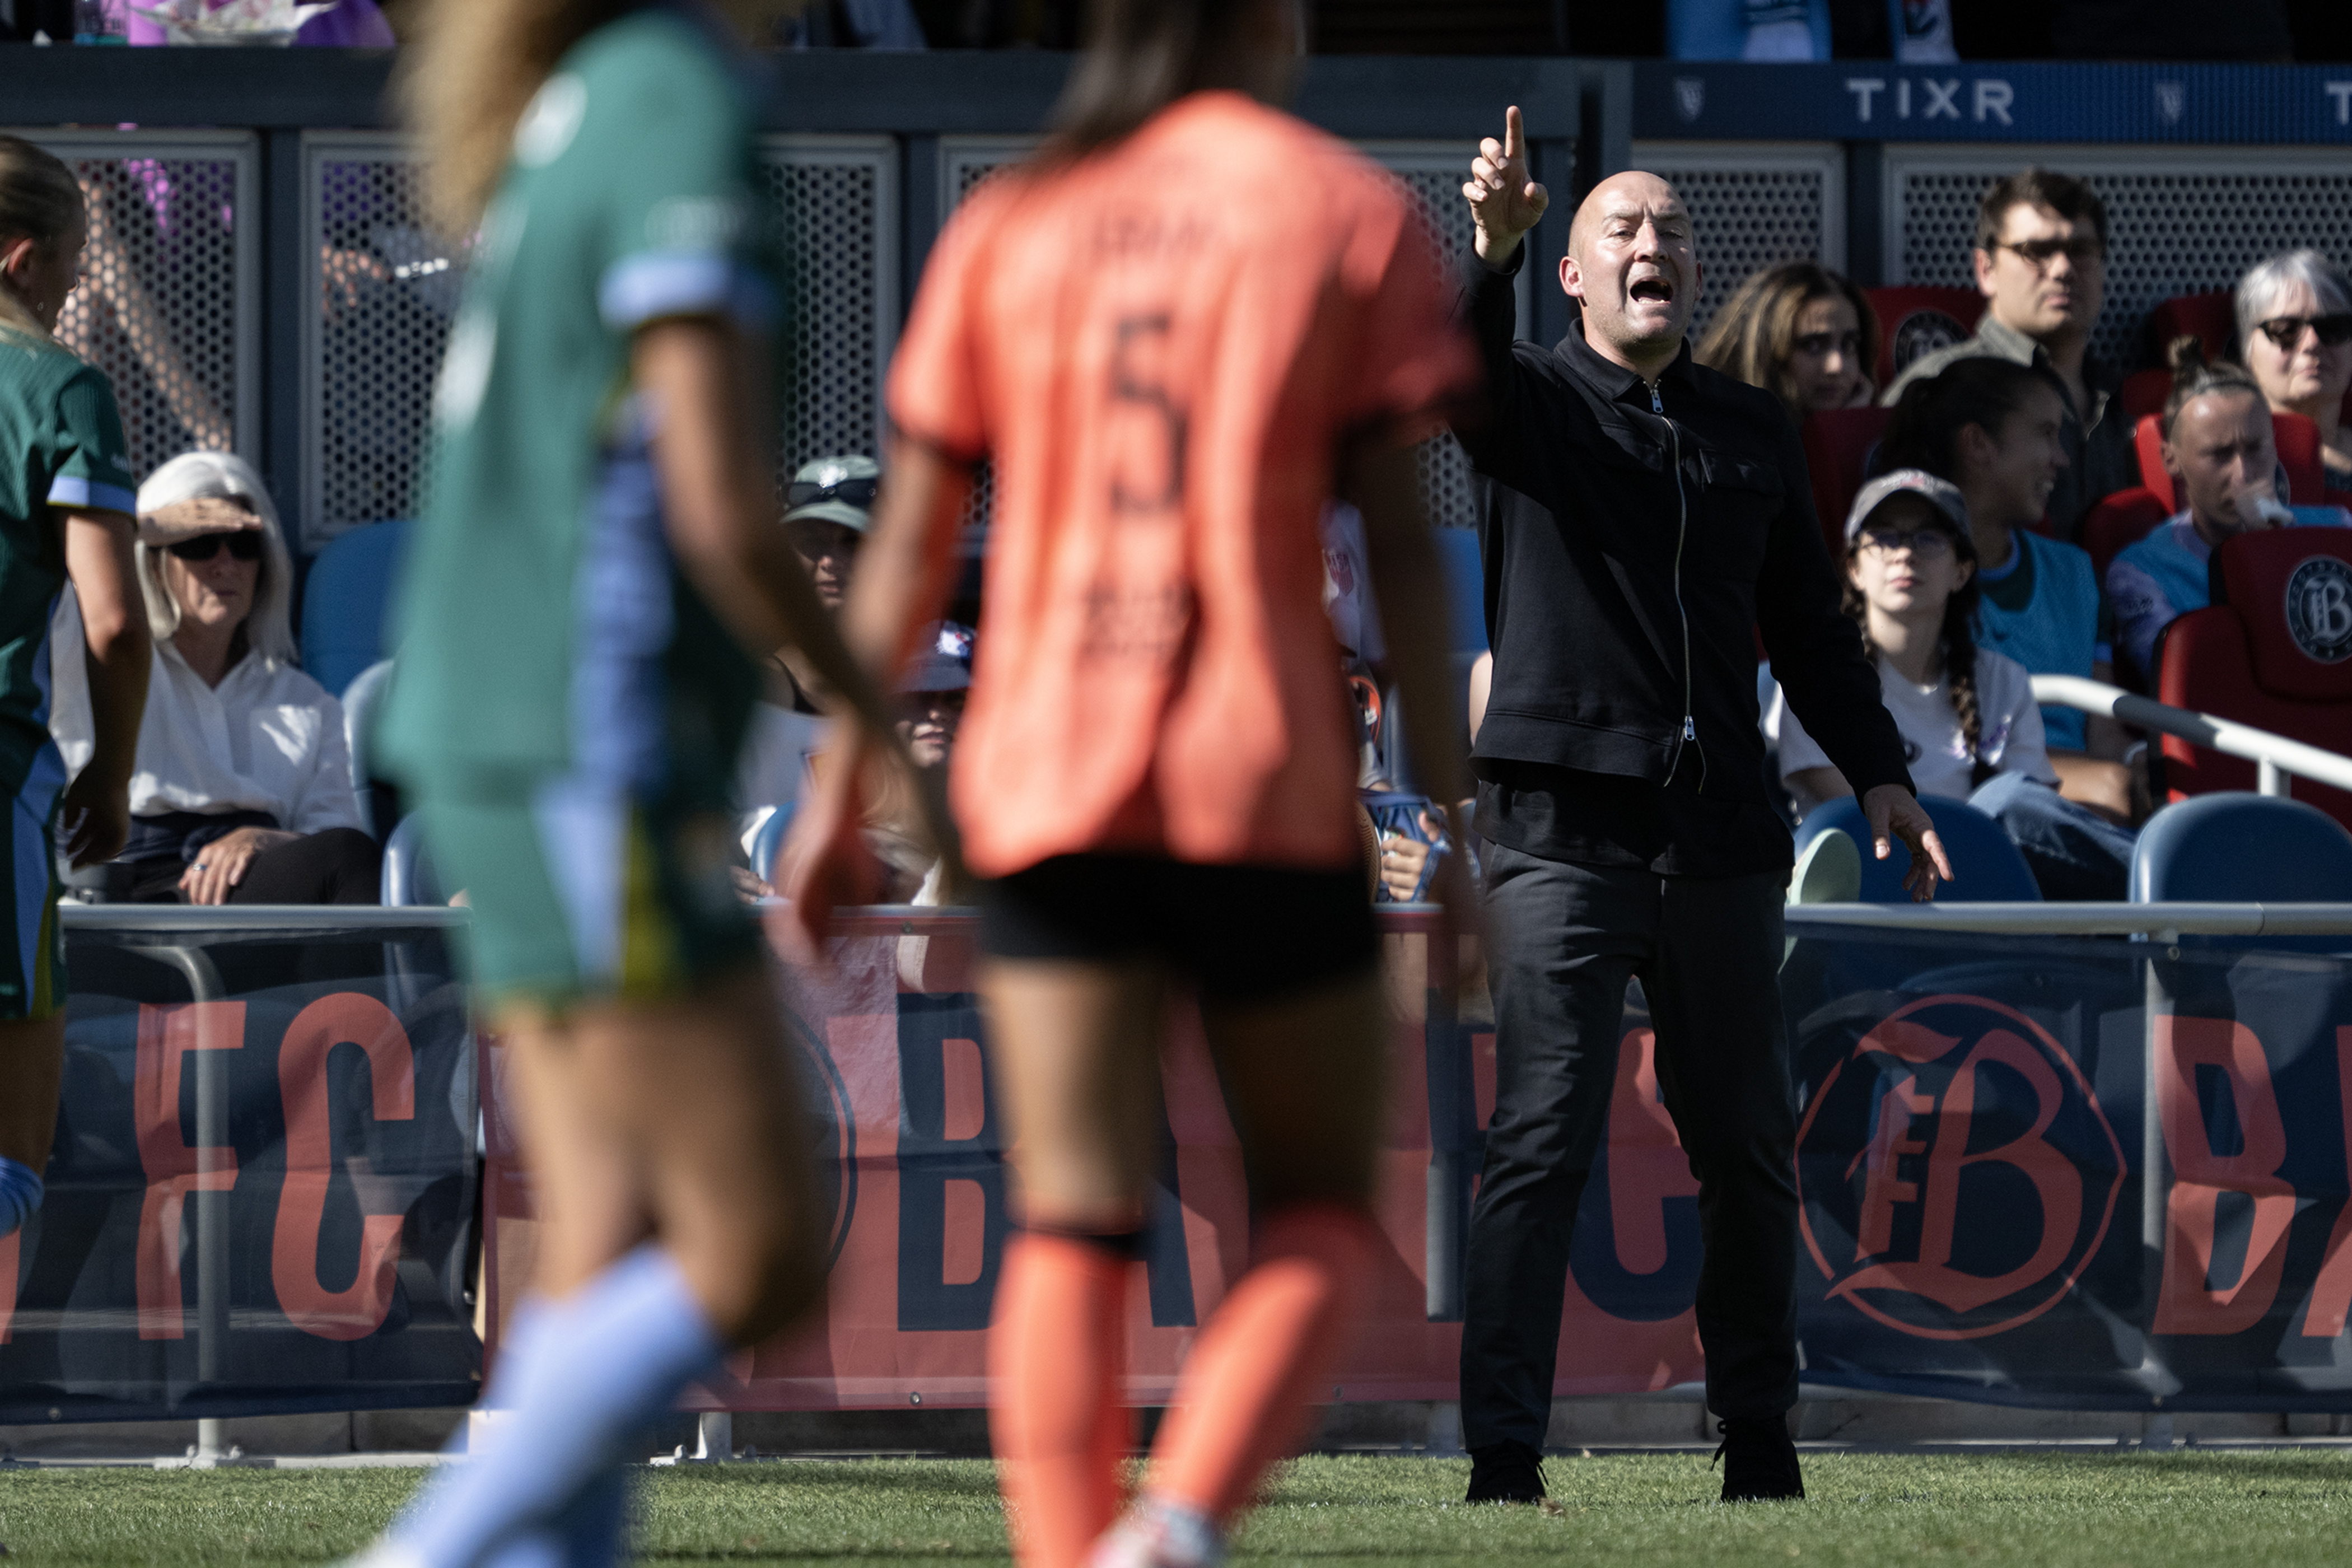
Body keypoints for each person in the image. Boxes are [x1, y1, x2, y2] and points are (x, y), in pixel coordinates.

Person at [782, 2, 1479, 1562]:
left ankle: (1062, 1552)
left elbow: (901, 549)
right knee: (1316, 1213)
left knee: (1075, 1216)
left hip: (1046, 783)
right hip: (1265, 782)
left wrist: (841, 792)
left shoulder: (1009, 223)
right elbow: (1411, 571)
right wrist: (1441, 817)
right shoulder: (1349, 214)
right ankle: (1171, 1531)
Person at [352, 2, 934, 1565]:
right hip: (582, 743)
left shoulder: (580, 102)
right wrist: (884, 741)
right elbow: (726, 505)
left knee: (603, 1267)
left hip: (509, 730)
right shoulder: (672, 95)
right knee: (755, 1253)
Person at [1453, 113, 1946, 1507]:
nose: (1650, 247)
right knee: (1540, 1142)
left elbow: (1806, 621)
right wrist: (1488, 254)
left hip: (1721, 832)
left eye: (1670, 229)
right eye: (1621, 228)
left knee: (1744, 1144)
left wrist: (1881, 773)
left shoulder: (1753, 426)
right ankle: (1503, 1456)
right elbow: (1454, 373)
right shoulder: (1531, 399)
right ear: (1574, 270)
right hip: (1561, 831)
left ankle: (1759, 1436)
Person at [0, 136, 150, 1245]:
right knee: (13, 1155)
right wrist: (112, 768)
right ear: (22, 257)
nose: (71, 291)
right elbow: (113, 618)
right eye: (71, 265)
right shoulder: (60, 388)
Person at [1771, 471, 2135, 900]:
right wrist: (1987, 819)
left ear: (1962, 571)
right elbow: (1861, 813)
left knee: (2015, 803)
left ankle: (2172, 895)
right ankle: (2182, 897)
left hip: (1985, 895)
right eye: (1885, 538)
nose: (1906, 553)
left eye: (1929, 538)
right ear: (1854, 569)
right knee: (2009, 803)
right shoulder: (1816, 678)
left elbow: (2036, 824)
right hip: (1871, 895)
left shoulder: (2003, 681)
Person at [50, 452, 378, 906]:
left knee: (347, 855)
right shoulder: (93, 660)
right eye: (199, 543)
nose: (225, 564)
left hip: (244, 894)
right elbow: (33, 588)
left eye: (243, 545)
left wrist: (266, 839)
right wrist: (135, 530)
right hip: (123, 896)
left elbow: (337, 831)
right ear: (154, 558)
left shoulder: (308, 702)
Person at [1878, 357, 2136, 820]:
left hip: (2082, 803)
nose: (2062, 458)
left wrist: (2139, 772)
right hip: (1973, 800)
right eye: (2044, 434)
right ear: (1979, 444)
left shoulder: (2075, 573)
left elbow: (2105, 735)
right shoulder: (1905, 582)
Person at [1883, 168, 2135, 541]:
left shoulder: (2134, 399)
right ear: (1986, 270)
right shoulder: (1938, 386)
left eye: (2082, 250)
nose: (2063, 269)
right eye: (2037, 251)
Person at [2108, 340, 2352, 686]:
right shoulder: (2143, 573)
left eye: (2256, 449)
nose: (2243, 473)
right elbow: (2186, 686)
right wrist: (2262, 556)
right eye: (2220, 455)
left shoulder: (2339, 531)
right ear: (2171, 459)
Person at [735, 453, 878, 857]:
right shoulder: (744, 686)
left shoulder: (931, 687)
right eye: (812, 543)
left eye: (853, 541)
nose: (830, 562)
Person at [1694, 260, 1879, 422]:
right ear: (1765, 351)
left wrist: (1853, 427)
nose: (1836, 366)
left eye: (1848, 346)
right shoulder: (1716, 442)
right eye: (1813, 346)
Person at [2235, 249, 2352, 488]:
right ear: (2247, 357)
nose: (2312, 344)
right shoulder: (2234, 467)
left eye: (2333, 327)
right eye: (2287, 330)